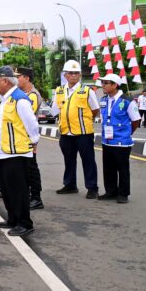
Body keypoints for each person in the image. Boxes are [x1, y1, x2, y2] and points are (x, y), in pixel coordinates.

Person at [0, 66, 39, 237]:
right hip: (1, 152)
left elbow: (31, 125)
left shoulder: (20, 99)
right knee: (7, 190)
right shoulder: (3, 99)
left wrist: (33, 142)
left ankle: (25, 223)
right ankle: (12, 219)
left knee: (19, 190)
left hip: (16, 153)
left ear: (4, 80)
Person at [51, 60, 101, 198]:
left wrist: (83, 120)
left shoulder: (86, 91)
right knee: (69, 159)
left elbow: (95, 110)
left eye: (76, 73)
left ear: (79, 75)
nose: (73, 75)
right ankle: (70, 185)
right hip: (66, 132)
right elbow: (55, 110)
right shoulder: (59, 90)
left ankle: (92, 187)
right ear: (65, 75)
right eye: (70, 73)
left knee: (88, 160)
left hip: (83, 132)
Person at [98, 74, 140, 203]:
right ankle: (110, 191)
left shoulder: (127, 101)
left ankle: (123, 193)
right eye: (102, 83)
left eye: (106, 83)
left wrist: (126, 133)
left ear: (115, 85)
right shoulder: (104, 100)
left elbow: (136, 121)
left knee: (122, 169)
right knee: (108, 168)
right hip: (107, 140)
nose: (103, 85)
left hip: (121, 142)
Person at [14, 67, 45, 210]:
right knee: (24, 168)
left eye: (18, 76)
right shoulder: (22, 94)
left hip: (28, 137)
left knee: (32, 167)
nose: (16, 79)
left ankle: (36, 197)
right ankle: (28, 195)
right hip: (21, 137)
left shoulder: (32, 95)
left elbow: (25, 115)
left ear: (26, 78)